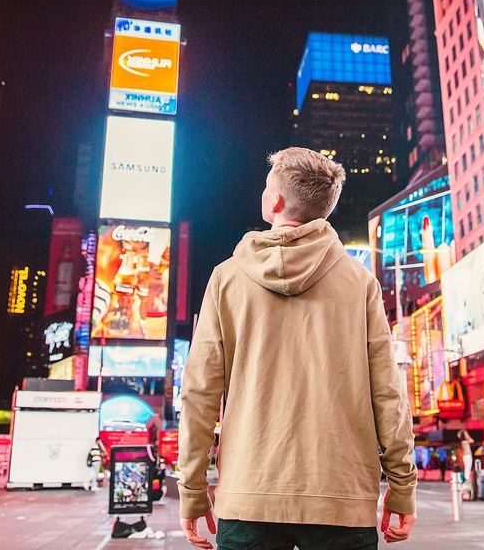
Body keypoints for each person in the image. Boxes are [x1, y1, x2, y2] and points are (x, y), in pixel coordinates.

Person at [178, 148, 417, 549]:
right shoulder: (360, 283)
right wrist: (402, 484)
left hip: (248, 497)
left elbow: (199, 394)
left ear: (274, 202)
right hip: (342, 500)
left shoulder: (226, 279)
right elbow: (389, 394)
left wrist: (192, 489)